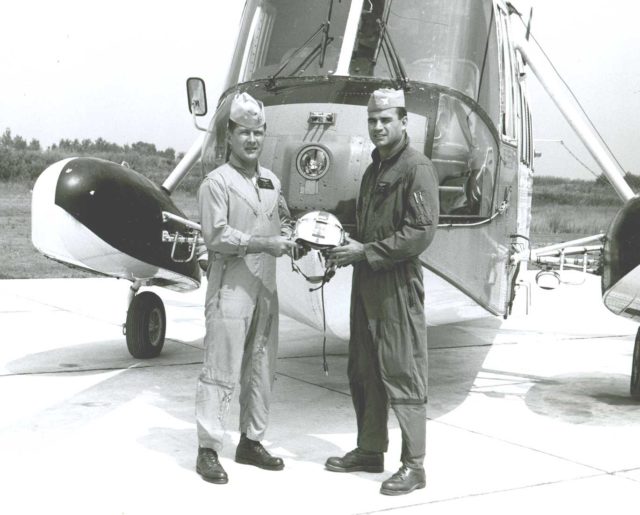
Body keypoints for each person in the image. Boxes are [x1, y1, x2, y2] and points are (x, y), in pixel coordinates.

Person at [325, 88, 439, 496]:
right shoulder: (374, 169)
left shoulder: (416, 167)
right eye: (373, 120)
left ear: (403, 122)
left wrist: (367, 252)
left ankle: (415, 465)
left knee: (402, 370)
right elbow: (363, 220)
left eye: (385, 119)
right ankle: (371, 450)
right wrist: (325, 228)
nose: (377, 126)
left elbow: (420, 232)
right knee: (364, 368)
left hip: (396, 283)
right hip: (366, 280)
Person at [195, 92, 299, 484]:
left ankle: (251, 441)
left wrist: (290, 234)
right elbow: (217, 235)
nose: (252, 140)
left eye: (258, 133)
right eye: (244, 133)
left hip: (265, 290)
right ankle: (208, 448)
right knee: (220, 367)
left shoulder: (271, 180)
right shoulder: (215, 183)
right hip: (230, 289)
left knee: (261, 366)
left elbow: (284, 218)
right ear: (230, 135)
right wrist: (265, 244)